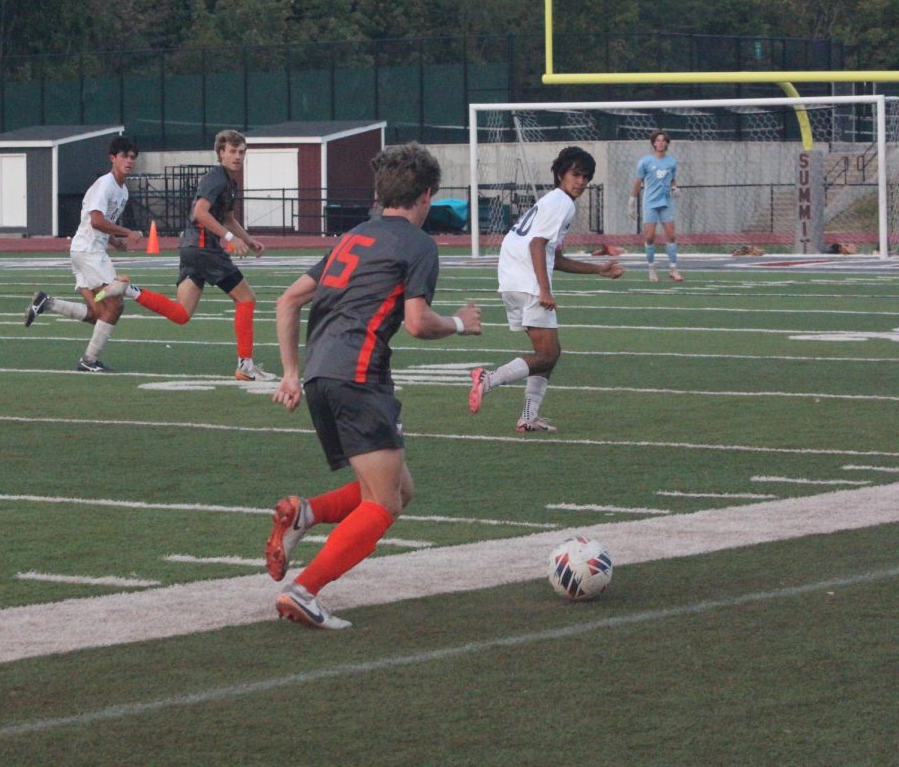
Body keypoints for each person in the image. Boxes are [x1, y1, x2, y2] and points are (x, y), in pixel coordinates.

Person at [264, 142, 482, 630]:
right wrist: (462, 324)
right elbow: (419, 323)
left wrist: (291, 372)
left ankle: (304, 514)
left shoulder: (354, 236)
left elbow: (287, 301)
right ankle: (303, 591)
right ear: (427, 196)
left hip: (323, 375)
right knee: (382, 504)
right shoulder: (418, 244)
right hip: (359, 377)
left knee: (399, 490)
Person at [468, 146, 624, 431]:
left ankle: (528, 416)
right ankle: (488, 379)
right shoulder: (562, 203)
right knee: (548, 355)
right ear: (561, 174)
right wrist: (544, 290)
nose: (581, 182)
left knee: (548, 353)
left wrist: (597, 269)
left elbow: (555, 257)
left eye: (586, 177)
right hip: (527, 281)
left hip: (512, 279)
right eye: (576, 174)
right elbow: (537, 244)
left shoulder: (552, 202)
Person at [111, 129, 275, 381]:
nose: (237, 157)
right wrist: (230, 239)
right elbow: (200, 212)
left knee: (182, 314)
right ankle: (245, 365)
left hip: (192, 248)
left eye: (241, 152)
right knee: (246, 299)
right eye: (232, 151)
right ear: (220, 153)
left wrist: (248, 239)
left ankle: (130, 290)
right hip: (203, 247)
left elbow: (228, 218)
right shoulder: (216, 178)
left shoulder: (228, 181)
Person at [22, 136, 143, 372]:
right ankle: (88, 361)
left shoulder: (123, 191)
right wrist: (128, 232)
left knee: (100, 312)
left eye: (132, 157)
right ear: (112, 158)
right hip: (89, 252)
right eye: (124, 156)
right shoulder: (105, 185)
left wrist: (116, 242)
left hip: (84, 250)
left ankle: (47, 303)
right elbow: (96, 221)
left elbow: (100, 224)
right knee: (116, 305)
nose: (129, 161)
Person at [629, 130, 683, 282]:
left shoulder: (671, 162)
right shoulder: (645, 162)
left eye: (663, 140)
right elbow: (638, 181)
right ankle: (651, 268)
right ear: (653, 143)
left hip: (666, 202)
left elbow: (672, 179)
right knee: (650, 236)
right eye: (658, 140)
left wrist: (674, 188)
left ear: (667, 143)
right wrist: (632, 201)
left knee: (671, 235)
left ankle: (673, 269)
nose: (661, 143)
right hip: (650, 203)